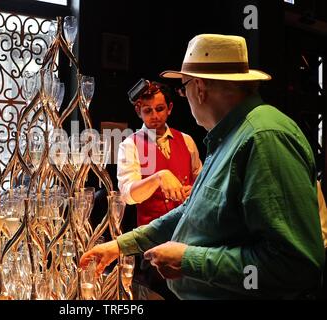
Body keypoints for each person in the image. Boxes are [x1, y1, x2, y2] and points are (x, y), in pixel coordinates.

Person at [81, 34, 325, 299]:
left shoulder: (263, 137)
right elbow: (190, 211)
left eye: (182, 88)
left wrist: (189, 259)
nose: (185, 96)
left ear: (199, 88)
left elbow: (294, 265)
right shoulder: (228, 135)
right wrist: (119, 246)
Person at [118, 80, 202, 226]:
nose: (155, 116)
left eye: (160, 108)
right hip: (151, 233)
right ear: (139, 112)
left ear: (169, 108)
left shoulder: (186, 140)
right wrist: (158, 177)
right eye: (148, 110)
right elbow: (127, 196)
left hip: (188, 227)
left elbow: (202, 181)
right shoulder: (130, 145)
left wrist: (195, 190)